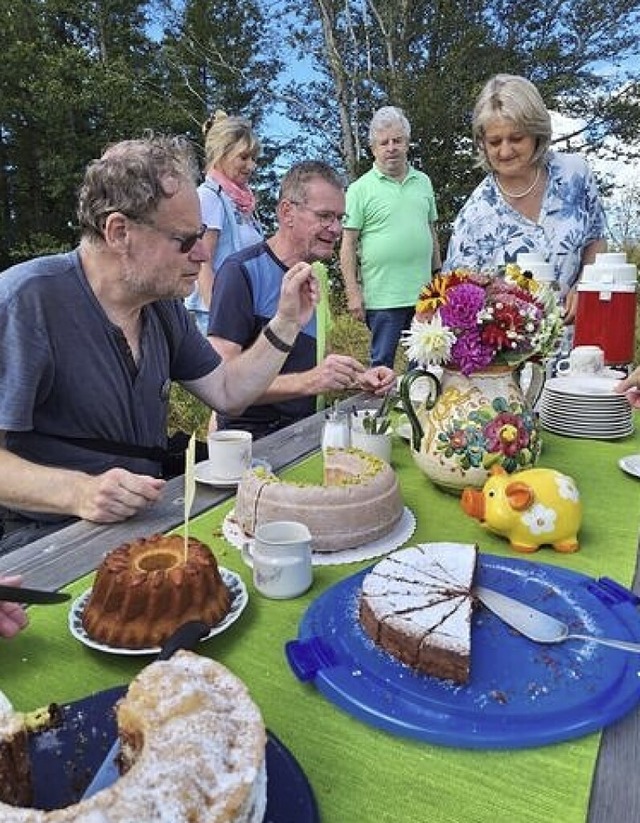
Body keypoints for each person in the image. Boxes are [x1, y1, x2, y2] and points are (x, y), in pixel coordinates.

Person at [0, 135, 319, 554]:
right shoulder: (26, 302)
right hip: (49, 539)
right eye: (185, 239)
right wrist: (77, 492)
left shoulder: (161, 307)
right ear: (119, 232)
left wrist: (286, 323)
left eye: (203, 235)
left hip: (147, 522)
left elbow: (229, 392)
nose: (204, 255)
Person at [207, 160, 396, 438]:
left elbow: (310, 361)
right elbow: (220, 382)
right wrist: (312, 381)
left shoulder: (315, 273)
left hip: (307, 433)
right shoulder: (240, 273)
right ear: (287, 212)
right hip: (252, 441)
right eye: (324, 216)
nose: (336, 229)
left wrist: (357, 377)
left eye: (340, 218)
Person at [444, 74, 607, 323]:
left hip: (583, 340)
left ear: (536, 133)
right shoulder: (474, 217)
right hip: (510, 355)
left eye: (516, 138)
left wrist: (586, 284)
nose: (505, 150)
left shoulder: (575, 174)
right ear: (482, 144)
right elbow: (457, 301)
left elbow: (596, 240)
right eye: (494, 142)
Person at [340, 105, 441, 369]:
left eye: (397, 140)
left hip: (424, 295)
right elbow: (348, 244)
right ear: (373, 149)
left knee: (425, 365)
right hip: (382, 298)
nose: (391, 147)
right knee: (381, 366)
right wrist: (353, 292)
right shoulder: (359, 190)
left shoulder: (424, 182)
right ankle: (381, 410)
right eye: (383, 142)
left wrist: (439, 280)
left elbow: (431, 232)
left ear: (407, 143)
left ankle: (420, 409)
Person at [185, 111, 263, 334]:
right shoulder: (210, 197)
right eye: (244, 157)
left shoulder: (240, 201)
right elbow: (202, 264)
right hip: (213, 316)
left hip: (240, 310)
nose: (252, 166)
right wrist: (220, 320)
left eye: (254, 158)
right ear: (221, 155)